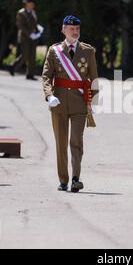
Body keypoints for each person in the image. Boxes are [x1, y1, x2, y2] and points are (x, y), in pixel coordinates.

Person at [42, 15, 98, 193]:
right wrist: (49, 95)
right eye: (72, 28)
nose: (75, 31)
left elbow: (94, 79)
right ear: (63, 30)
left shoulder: (88, 51)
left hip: (79, 103)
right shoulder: (54, 51)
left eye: (78, 28)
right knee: (61, 143)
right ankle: (63, 179)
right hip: (58, 102)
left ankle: (76, 178)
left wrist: (91, 101)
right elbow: (46, 76)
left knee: (76, 141)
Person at [10, 0, 43, 80]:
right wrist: (30, 34)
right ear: (26, 4)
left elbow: (34, 24)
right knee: (25, 55)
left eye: (33, 3)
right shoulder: (21, 13)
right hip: (25, 37)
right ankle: (13, 67)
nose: (32, 5)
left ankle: (30, 74)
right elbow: (20, 26)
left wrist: (38, 30)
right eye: (30, 3)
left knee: (32, 56)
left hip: (33, 37)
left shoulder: (33, 12)